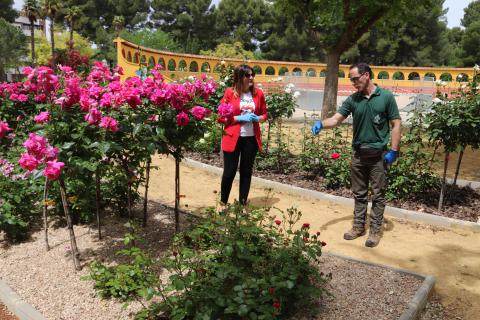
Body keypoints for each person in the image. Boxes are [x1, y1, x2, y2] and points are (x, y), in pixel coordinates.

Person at [311, 62, 401, 247]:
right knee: (359, 194)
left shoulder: (385, 97)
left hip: (379, 156)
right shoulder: (353, 100)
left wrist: (394, 150)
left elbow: (396, 124)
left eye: (355, 78)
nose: (353, 82)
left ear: (366, 75)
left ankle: (375, 231)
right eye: (351, 79)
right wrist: (321, 124)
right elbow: (336, 119)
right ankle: (358, 226)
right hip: (359, 155)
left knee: (378, 195)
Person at [217, 64, 267, 207]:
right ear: (239, 77)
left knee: (246, 173)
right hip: (233, 137)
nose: (251, 78)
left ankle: (242, 205)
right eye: (247, 75)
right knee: (229, 173)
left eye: (252, 75)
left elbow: (264, 114)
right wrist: (239, 118)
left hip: (251, 139)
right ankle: (223, 203)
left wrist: (257, 118)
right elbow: (220, 116)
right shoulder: (229, 93)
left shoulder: (259, 94)